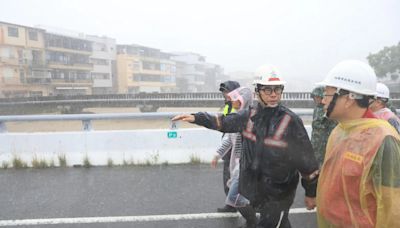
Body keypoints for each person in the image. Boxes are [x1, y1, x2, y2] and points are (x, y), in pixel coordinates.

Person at [173, 65, 319, 228]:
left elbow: (307, 161)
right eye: (267, 90)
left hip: (278, 193)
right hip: (254, 189)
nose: (273, 95)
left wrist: (311, 192)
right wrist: (196, 117)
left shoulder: (290, 121)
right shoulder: (248, 115)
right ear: (257, 91)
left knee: (272, 223)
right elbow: (223, 122)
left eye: (277, 90)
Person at [316, 60, 400, 227]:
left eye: (327, 94)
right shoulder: (339, 132)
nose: (322, 101)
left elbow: (392, 207)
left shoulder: (383, 139)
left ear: (349, 99)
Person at [212, 87, 256, 225]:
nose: (231, 102)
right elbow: (229, 140)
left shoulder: (250, 117)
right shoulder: (237, 116)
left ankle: (254, 219)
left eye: (234, 100)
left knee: (234, 196)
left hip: (247, 164)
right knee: (236, 195)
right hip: (238, 164)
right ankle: (253, 219)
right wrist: (217, 155)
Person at [216, 80, 241, 213]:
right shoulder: (228, 106)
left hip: (236, 149)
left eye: (227, 91)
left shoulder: (239, 106)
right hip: (228, 147)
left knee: (236, 178)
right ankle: (231, 204)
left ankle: (241, 206)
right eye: (224, 92)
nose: (225, 94)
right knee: (228, 177)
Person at [310, 86, 337, 166]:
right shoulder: (317, 108)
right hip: (316, 140)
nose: (316, 99)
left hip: (326, 140)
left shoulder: (328, 109)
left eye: (318, 97)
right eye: (315, 97)